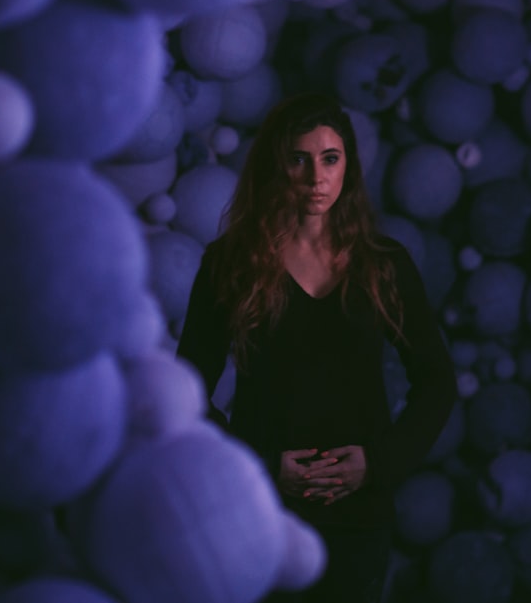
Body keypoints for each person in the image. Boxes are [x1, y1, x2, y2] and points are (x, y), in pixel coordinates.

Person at [176, 92, 457, 603]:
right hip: (260, 509)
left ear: (348, 163)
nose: (315, 177)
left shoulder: (383, 264)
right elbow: (186, 389)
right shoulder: (229, 264)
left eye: (330, 158)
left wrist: (377, 464)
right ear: (275, 165)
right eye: (298, 159)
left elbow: (437, 380)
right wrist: (263, 465)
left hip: (359, 518)